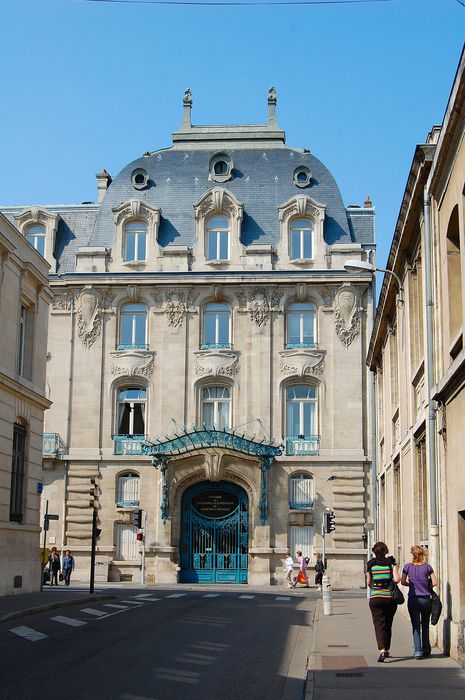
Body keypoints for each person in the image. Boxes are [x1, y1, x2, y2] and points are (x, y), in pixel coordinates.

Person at [401, 545, 438, 659]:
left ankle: (417, 651)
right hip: (426, 599)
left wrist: (411, 584)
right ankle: (426, 649)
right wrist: (426, 585)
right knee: (425, 624)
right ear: (422, 555)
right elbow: (435, 582)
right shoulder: (427, 567)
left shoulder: (407, 567)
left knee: (415, 625)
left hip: (413, 598)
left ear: (413, 555)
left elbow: (402, 581)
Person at [367, 541, 400, 662]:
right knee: (388, 624)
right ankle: (387, 648)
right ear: (386, 551)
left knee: (379, 624)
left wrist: (376, 587)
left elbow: (369, 583)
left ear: (375, 552)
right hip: (389, 598)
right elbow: (397, 579)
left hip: (375, 598)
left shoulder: (371, 565)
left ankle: (381, 649)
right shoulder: (391, 564)